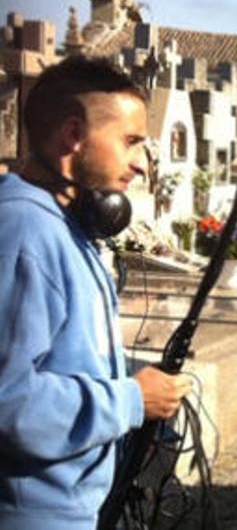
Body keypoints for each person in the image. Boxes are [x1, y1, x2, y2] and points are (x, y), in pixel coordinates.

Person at [0, 55, 191, 529]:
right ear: (74, 135)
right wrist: (130, 401)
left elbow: (65, 361)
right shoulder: (25, 233)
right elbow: (9, 400)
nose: (141, 164)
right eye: (130, 141)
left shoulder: (64, 227)